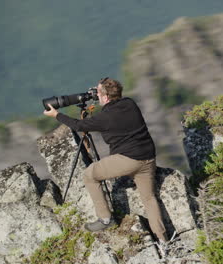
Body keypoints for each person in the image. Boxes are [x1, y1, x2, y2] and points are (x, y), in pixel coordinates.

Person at [43, 77, 168, 242]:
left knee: (90, 175)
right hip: (148, 158)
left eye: (98, 92)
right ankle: (163, 239)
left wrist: (57, 114)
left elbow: (79, 126)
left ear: (106, 97)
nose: (95, 94)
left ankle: (105, 219)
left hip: (129, 160)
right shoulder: (130, 103)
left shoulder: (106, 117)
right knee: (149, 198)